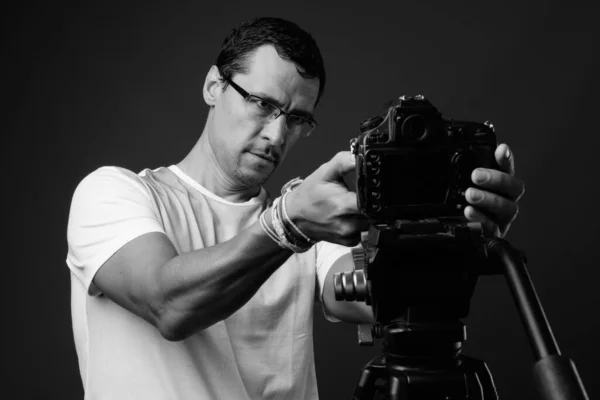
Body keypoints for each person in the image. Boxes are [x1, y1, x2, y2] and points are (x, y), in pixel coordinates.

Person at [66, 17, 525, 400]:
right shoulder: (114, 193)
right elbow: (169, 304)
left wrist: (457, 237)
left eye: (298, 118)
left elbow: (386, 300)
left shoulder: (309, 220)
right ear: (213, 86)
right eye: (263, 105)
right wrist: (287, 225)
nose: (277, 134)